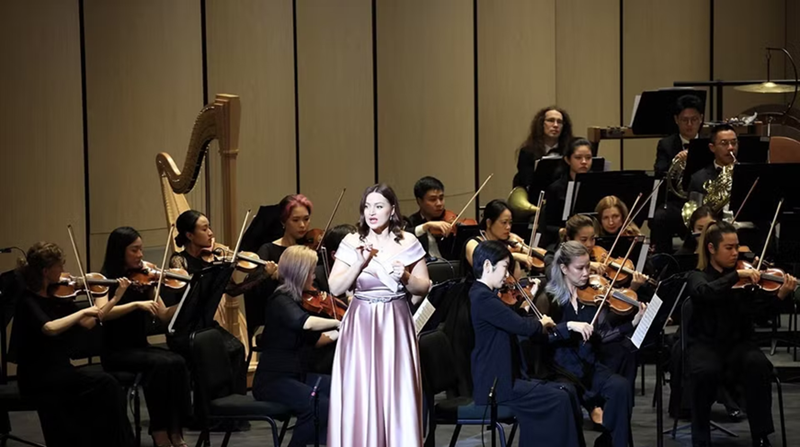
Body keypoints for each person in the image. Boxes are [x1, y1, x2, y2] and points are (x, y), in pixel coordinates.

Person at [327, 184, 431, 447]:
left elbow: (423, 287)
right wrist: (358, 264)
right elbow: (335, 287)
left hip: (395, 320)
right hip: (361, 322)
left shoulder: (408, 242)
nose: (371, 212)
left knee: (396, 387)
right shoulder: (352, 242)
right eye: (367, 206)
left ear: (392, 209)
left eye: (379, 206)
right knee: (361, 387)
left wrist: (405, 276)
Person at [11, 242, 134, 447]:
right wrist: (83, 311)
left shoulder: (57, 297)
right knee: (105, 385)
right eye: (60, 265)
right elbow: (50, 327)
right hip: (38, 377)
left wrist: (113, 298)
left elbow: (89, 322)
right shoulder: (28, 300)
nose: (64, 270)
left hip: (61, 371)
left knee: (108, 387)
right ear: (46, 271)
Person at [686, 221, 796, 447]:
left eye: (737, 247)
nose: (735, 252)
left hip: (738, 346)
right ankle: (701, 438)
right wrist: (735, 276)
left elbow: (759, 314)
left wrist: (780, 297)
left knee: (758, 365)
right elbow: (704, 293)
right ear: (711, 248)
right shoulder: (698, 276)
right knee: (704, 372)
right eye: (729, 248)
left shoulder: (747, 280)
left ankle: (761, 435)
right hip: (706, 346)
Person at [469, 240, 584, 447]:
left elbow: (510, 320)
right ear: (487, 265)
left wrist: (526, 310)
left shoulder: (487, 296)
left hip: (507, 377)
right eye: (504, 267)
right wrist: (541, 323)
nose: (507, 275)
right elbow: (523, 327)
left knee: (568, 391)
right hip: (496, 385)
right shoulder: (482, 297)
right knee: (559, 398)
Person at [98, 227, 191, 447]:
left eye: (141, 249)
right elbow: (102, 313)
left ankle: (176, 430)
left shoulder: (145, 278)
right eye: (134, 250)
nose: (140, 255)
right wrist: (135, 304)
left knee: (178, 361)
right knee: (160, 365)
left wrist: (188, 300)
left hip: (140, 347)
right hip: (116, 351)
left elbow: (163, 315)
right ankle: (159, 431)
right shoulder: (105, 280)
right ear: (120, 251)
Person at [545, 241, 644, 447]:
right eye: (579, 268)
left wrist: (632, 323)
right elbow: (541, 336)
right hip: (562, 369)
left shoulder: (591, 296)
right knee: (566, 395)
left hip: (589, 366)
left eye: (588, 267)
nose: (586, 273)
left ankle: (611, 442)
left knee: (621, 387)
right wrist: (569, 326)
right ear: (564, 268)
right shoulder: (549, 298)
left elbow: (601, 335)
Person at [253, 246, 341, 447]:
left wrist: (344, 332)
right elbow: (305, 323)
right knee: (318, 404)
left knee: (340, 390)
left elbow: (317, 340)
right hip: (273, 380)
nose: (314, 276)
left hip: (298, 375)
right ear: (299, 273)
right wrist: (339, 322)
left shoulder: (299, 300)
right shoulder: (280, 300)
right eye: (310, 272)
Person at [169, 209, 248, 395]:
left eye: (209, 228)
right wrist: (209, 266)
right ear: (189, 235)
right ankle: (210, 405)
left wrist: (261, 275)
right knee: (214, 355)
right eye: (204, 229)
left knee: (237, 349)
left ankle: (235, 404)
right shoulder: (179, 260)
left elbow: (233, 290)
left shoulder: (212, 259)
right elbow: (186, 289)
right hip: (184, 329)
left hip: (204, 325)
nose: (211, 233)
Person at [651, 95, 704, 253]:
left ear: (701, 119)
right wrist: (676, 160)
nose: (689, 124)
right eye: (684, 120)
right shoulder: (666, 144)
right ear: (676, 120)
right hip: (677, 202)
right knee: (660, 217)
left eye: (694, 119)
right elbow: (659, 171)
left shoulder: (709, 144)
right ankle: (664, 261)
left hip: (704, 199)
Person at [513, 106, 575, 197]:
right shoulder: (527, 152)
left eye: (559, 122)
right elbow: (526, 182)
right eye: (550, 120)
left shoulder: (570, 150)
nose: (555, 125)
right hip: (535, 199)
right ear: (542, 124)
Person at [543, 139, 594, 247]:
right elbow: (547, 225)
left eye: (588, 158)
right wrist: (562, 231)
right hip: (562, 242)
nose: (584, 162)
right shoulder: (555, 189)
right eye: (578, 157)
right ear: (567, 160)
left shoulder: (597, 184)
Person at [404, 176, 456, 259]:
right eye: (433, 199)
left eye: (441, 198)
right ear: (419, 201)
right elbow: (403, 236)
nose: (439, 203)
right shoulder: (411, 222)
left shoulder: (449, 219)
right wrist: (426, 226)